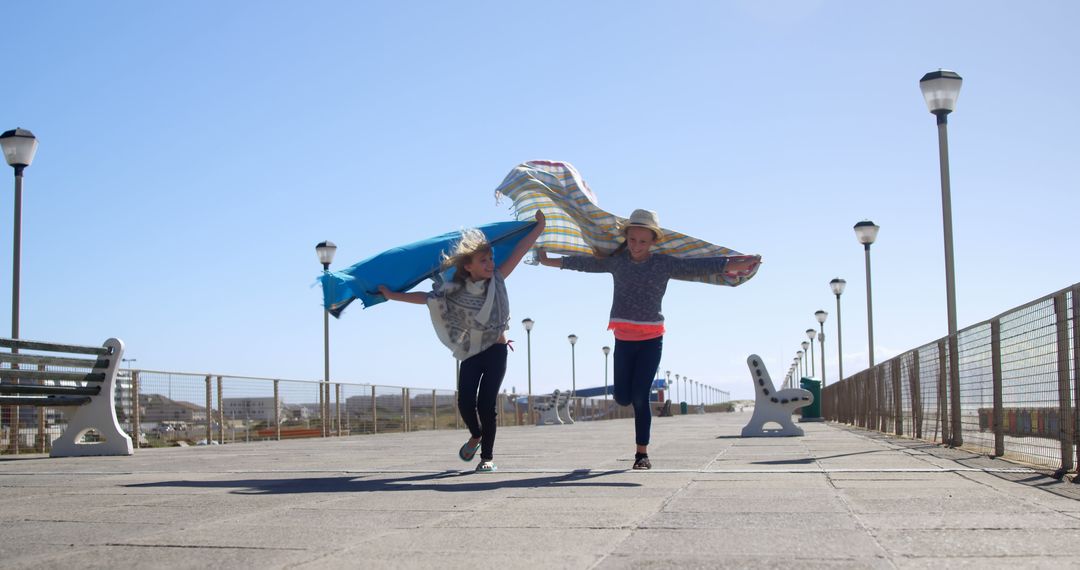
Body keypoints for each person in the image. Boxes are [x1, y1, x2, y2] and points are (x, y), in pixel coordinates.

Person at [537, 209, 759, 470]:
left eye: (643, 241)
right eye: (632, 240)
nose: (637, 246)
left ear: (653, 241)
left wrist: (738, 264)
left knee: (641, 397)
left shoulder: (663, 263)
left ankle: (641, 454)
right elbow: (586, 264)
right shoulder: (618, 262)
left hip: (651, 339)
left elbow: (698, 267)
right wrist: (548, 260)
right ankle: (637, 433)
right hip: (623, 339)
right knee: (622, 397)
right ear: (626, 238)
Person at [379, 211, 545, 473]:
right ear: (468, 265)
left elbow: (519, 251)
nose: (491, 263)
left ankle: (487, 457)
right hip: (471, 350)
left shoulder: (497, 280)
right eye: (484, 260)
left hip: (497, 349)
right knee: (466, 401)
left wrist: (538, 228)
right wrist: (393, 295)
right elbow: (428, 298)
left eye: (490, 258)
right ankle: (476, 436)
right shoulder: (455, 289)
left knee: (486, 403)